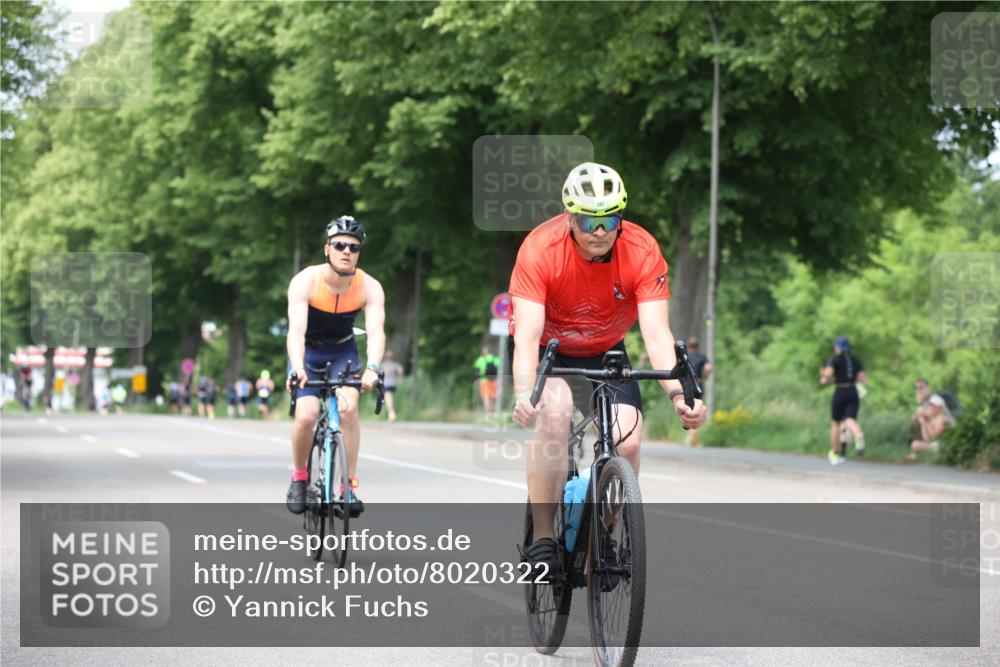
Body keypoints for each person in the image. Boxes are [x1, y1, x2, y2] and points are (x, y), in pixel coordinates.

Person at [509, 162, 707, 573]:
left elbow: (657, 336)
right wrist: (525, 393)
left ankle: (604, 530)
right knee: (556, 415)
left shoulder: (642, 249)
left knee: (627, 440)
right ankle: (543, 539)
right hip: (550, 350)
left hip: (606, 349)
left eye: (610, 219)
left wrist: (679, 395)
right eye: (588, 220)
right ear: (569, 217)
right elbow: (527, 336)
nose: (599, 231)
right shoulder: (539, 249)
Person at [285, 215, 386, 518]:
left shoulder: (369, 286)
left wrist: (373, 368)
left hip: (343, 352)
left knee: (348, 410)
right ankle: (299, 477)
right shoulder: (306, 281)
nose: (346, 251)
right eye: (340, 245)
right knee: (306, 416)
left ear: (359, 253)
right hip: (308, 353)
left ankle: (348, 487)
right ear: (327, 249)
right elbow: (295, 333)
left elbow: (377, 333)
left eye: (353, 247)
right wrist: (298, 368)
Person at [819, 335, 867, 464]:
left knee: (836, 423)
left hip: (840, 391)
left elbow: (828, 374)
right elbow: (863, 379)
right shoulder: (855, 360)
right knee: (850, 419)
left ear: (838, 347)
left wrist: (823, 374)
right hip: (853, 391)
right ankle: (858, 436)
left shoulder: (835, 359)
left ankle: (835, 451)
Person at [908, 379, 955, 459]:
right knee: (915, 424)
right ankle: (921, 451)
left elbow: (926, 414)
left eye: (921, 387)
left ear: (928, 387)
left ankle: (929, 450)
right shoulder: (924, 403)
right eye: (917, 388)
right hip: (933, 433)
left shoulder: (936, 400)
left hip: (945, 433)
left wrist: (920, 407)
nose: (919, 390)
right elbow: (918, 416)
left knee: (917, 442)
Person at [683, 336, 713, 447]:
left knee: (689, 410)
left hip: (686, 386)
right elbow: (709, 368)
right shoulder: (702, 357)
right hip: (698, 385)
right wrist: (704, 378)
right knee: (696, 410)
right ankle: (692, 437)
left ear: (689, 346)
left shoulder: (685, 356)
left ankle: (691, 437)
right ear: (698, 346)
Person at [474, 346, 501, 411]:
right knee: (493, 396)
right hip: (493, 380)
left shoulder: (481, 359)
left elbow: (476, 365)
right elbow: (499, 364)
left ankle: (487, 410)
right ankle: (493, 410)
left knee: (486, 396)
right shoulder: (494, 358)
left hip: (484, 380)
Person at [380, 350, 404, 422]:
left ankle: (391, 413)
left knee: (388, 398)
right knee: (391, 397)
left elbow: (379, 373)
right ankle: (391, 413)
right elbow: (401, 370)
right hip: (393, 383)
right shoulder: (395, 364)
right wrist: (399, 378)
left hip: (386, 383)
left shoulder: (383, 365)